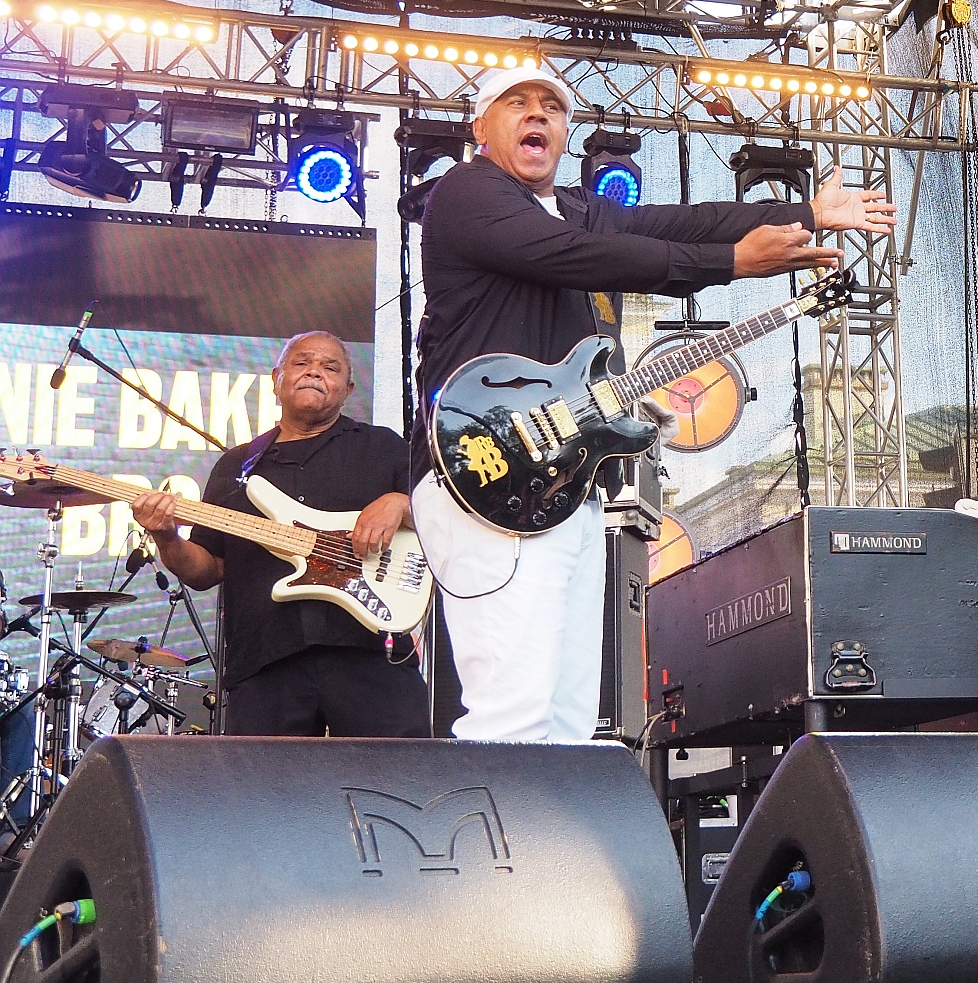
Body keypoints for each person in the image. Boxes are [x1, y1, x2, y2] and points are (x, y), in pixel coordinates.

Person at [411, 63, 892, 743]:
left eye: (552, 106)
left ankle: (552, 819)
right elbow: (582, 256)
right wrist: (731, 264)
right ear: (480, 129)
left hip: (561, 483)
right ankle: (493, 818)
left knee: (569, 723)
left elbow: (684, 221)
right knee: (511, 714)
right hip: (485, 477)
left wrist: (806, 214)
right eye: (517, 103)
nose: (538, 114)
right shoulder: (467, 192)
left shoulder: (576, 206)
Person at [134, 331, 430, 737]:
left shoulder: (383, 447)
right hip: (265, 663)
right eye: (301, 363)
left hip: (370, 654)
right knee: (263, 780)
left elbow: (446, 516)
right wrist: (167, 537)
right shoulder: (236, 466)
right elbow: (207, 570)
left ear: (348, 389)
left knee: (397, 775)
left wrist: (400, 502)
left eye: (330, 367)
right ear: (276, 380)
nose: (314, 372)